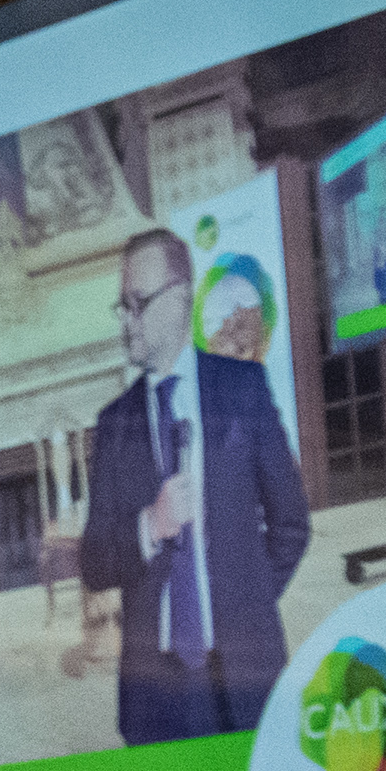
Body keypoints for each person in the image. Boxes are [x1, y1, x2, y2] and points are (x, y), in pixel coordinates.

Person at [78, 226, 314, 742]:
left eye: (138, 302)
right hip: (155, 690)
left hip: (247, 671)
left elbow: (292, 524)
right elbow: (94, 563)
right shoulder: (114, 424)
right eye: (122, 306)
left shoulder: (242, 387)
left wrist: (244, 610)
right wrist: (149, 526)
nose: (127, 321)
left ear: (181, 297)